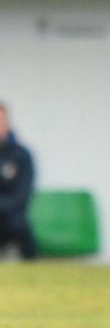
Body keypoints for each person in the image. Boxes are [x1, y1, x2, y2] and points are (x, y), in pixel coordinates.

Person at [0, 103, 36, 261]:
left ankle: (34, 271)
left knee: (19, 225)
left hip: (10, 217)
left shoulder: (21, 155)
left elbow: (22, 195)